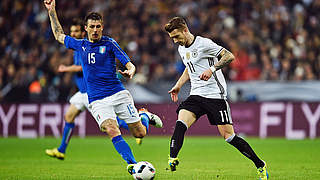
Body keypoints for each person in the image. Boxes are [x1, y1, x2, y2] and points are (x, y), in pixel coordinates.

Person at [43, 0, 162, 174]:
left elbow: (129, 63)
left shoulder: (109, 43)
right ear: (86, 28)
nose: (96, 30)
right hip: (97, 99)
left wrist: (131, 71)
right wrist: (52, 11)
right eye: (92, 26)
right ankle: (132, 165)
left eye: (98, 26)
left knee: (140, 133)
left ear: (102, 27)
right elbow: (59, 35)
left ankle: (143, 115)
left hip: (118, 93)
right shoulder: (81, 45)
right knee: (111, 128)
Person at [164, 17, 268, 180]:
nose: (175, 41)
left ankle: (260, 164)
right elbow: (189, 67)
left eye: (177, 36)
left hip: (215, 96)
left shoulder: (204, 44)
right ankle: (172, 158)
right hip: (196, 94)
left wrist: (211, 69)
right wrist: (178, 85)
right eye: (172, 38)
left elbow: (229, 56)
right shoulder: (181, 49)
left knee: (229, 137)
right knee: (181, 122)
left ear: (185, 30)